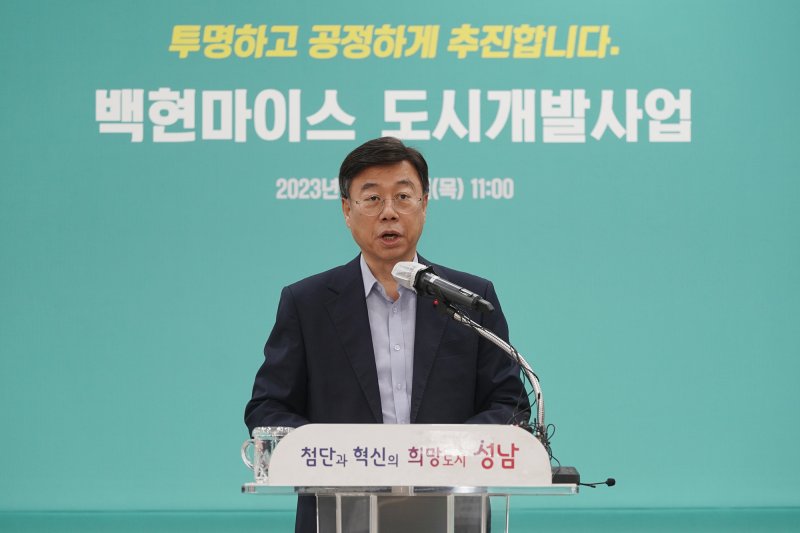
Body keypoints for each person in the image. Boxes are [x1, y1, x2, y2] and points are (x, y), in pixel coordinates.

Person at [244, 137, 529, 533]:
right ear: (347, 210)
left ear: (425, 204)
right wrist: (335, 454)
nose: (389, 212)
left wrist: (449, 450)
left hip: (450, 510)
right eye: (372, 198)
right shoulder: (307, 303)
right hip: (339, 514)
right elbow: (268, 408)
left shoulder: (469, 298)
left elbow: (509, 403)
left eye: (403, 197)